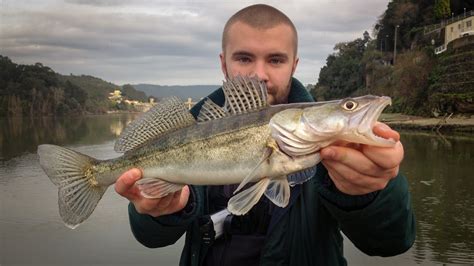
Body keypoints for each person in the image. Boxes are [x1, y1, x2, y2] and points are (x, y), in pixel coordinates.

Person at [115, 4, 415, 266]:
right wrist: (159, 213)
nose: (260, 74)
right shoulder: (190, 130)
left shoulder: (336, 146)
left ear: (294, 65)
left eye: (275, 60)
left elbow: (392, 243)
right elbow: (151, 239)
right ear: (223, 63)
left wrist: (373, 193)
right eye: (244, 58)